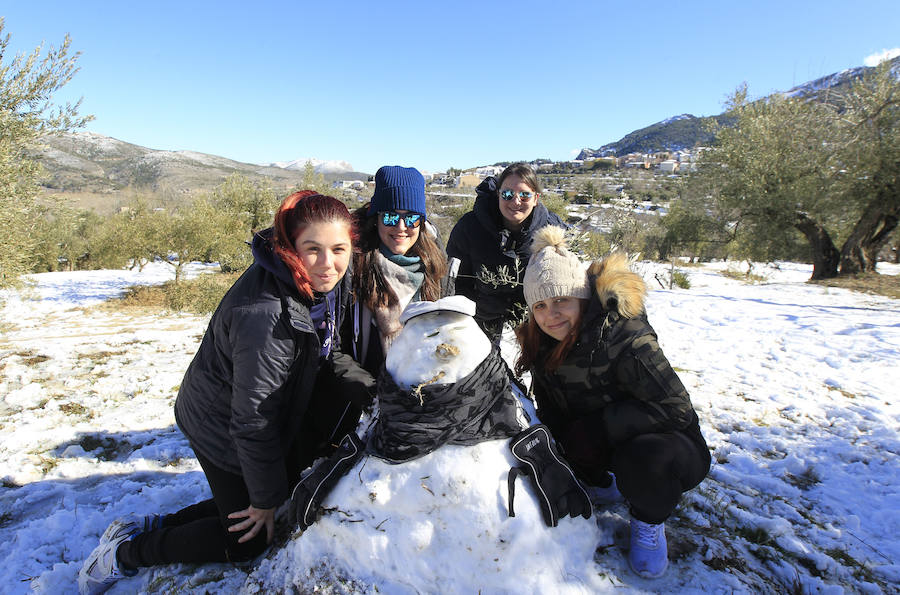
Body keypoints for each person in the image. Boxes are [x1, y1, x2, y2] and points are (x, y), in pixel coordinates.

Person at [78, 191, 375, 594]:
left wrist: (372, 391)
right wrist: (266, 500)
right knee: (249, 537)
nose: (328, 263)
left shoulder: (321, 283)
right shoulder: (265, 315)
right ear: (290, 247)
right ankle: (126, 554)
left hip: (246, 412)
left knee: (259, 501)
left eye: (339, 249)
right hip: (220, 423)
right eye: (313, 249)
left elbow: (329, 349)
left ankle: (150, 525)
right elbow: (252, 419)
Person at [514, 225, 710, 579]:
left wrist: (601, 428)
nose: (551, 314)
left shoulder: (624, 336)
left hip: (670, 444)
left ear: (582, 298)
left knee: (644, 460)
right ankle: (601, 482)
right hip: (603, 441)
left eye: (561, 300)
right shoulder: (542, 341)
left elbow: (675, 409)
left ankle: (648, 522)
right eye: (540, 305)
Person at [345, 165, 448, 376]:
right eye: (391, 217)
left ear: (421, 223)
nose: (401, 227)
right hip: (368, 391)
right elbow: (338, 346)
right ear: (376, 220)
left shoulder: (435, 267)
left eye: (411, 218)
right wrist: (366, 389)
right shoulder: (354, 267)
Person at [446, 163, 564, 342]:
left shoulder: (552, 229)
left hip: (535, 322)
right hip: (481, 321)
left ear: (536, 198)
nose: (516, 202)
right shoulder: (470, 227)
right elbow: (456, 280)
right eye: (508, 194)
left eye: (525, 195)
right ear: (498, 194)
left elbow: (566, 281)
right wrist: (474, 312)